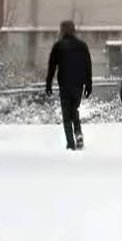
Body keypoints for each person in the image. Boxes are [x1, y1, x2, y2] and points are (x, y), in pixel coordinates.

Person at [45, 20, 93, 151]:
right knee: (74, 110)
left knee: (67, 114)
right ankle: (78, 133)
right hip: (78, 84)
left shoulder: (58, 46)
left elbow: (52, 66)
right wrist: (88, 84)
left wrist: (48, 84)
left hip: (65, 84)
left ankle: (70, 143)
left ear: (62, 30)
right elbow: (87, 65)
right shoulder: (82, 46)